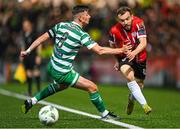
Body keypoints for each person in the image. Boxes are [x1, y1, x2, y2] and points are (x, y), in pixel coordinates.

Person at [21, 5, 131, 120]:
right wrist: (121, 50)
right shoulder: (81, 34)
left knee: (61, 86)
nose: (89, 16)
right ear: (80, 18)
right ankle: (105, 114)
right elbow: (100, 50)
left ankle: (31, 101)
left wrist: (28, 50)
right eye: (87, 14)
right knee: (92, 87)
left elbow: (42, 38)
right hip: (63, 72)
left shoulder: (61, 25)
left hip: (52, 66)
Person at [109, 6, 152, 115]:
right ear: (118, 20)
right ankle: (145, 105)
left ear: (132, 16)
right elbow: (112, 46)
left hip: (140, 58)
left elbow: (143, 43)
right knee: (129, 76)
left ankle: (131, 99)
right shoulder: (114, 30)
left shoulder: (139, 23)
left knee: (140, 85)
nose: (125, 22)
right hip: (125, 57)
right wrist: (117, 61)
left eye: (127, 19)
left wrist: (134, 53)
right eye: (122, 20)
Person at [20, 19, 41, 96]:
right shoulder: (24, 34)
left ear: (29, 26)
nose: (24, 27)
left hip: (33, 56)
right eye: (23, 26)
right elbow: (23, 45)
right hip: (26, 57)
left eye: (26, 26)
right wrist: (21, 55)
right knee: (28, 72)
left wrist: (38, 56)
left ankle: (39, 91)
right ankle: (29, 91)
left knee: (36, 72)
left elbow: (39, 45)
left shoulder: (34, 34)